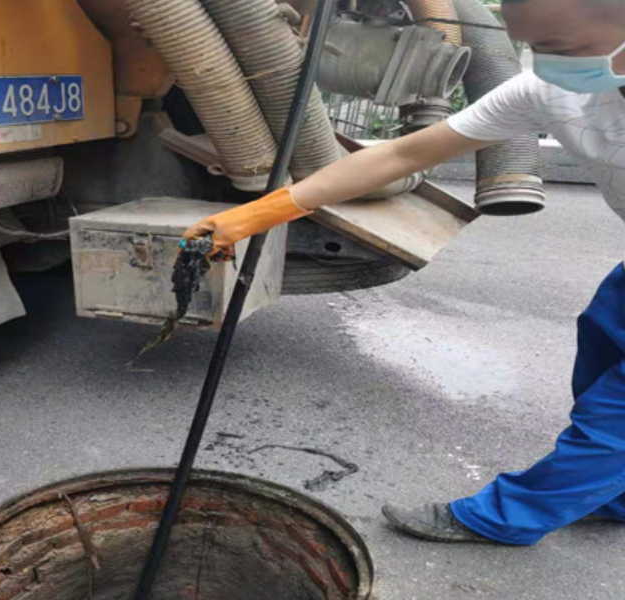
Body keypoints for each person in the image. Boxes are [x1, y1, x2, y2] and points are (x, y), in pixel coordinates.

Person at [183, 0, 625, 546]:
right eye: (537, 48)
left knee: (615, 418)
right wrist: (255, 214)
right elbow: (399, 155)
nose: (552, 63)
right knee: (600, 358)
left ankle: (506, 518)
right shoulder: (549, 89)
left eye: (568, 49)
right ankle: (611, 492)